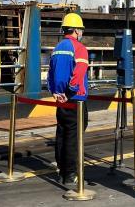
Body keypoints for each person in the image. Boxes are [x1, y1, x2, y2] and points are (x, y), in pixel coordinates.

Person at [47, 12, 90, 186]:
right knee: (74, 135)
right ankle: (71, 174)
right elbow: (78, 74)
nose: (82, 32)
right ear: (76, 30)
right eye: (81, 29)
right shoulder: (79, 48)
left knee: (62, 133)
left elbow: (50, 73)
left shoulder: (57, 48)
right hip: (75, 99)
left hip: (60, 99)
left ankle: (62, 170)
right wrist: (70, 91)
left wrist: (54, 91)